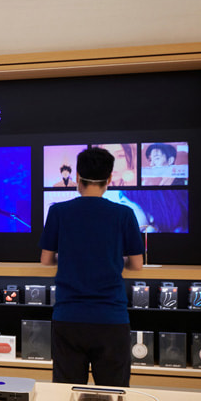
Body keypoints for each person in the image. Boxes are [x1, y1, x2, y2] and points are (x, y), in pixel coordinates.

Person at [39, 147, 144, 386]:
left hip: (68, 317)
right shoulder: (124, 214)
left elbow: (46, 260)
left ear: (77, 177)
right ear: (109, 179)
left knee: (67, 395)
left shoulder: (58, 211)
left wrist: (70, 258)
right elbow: (137, 265)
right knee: (114, 394)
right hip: (111, 318)